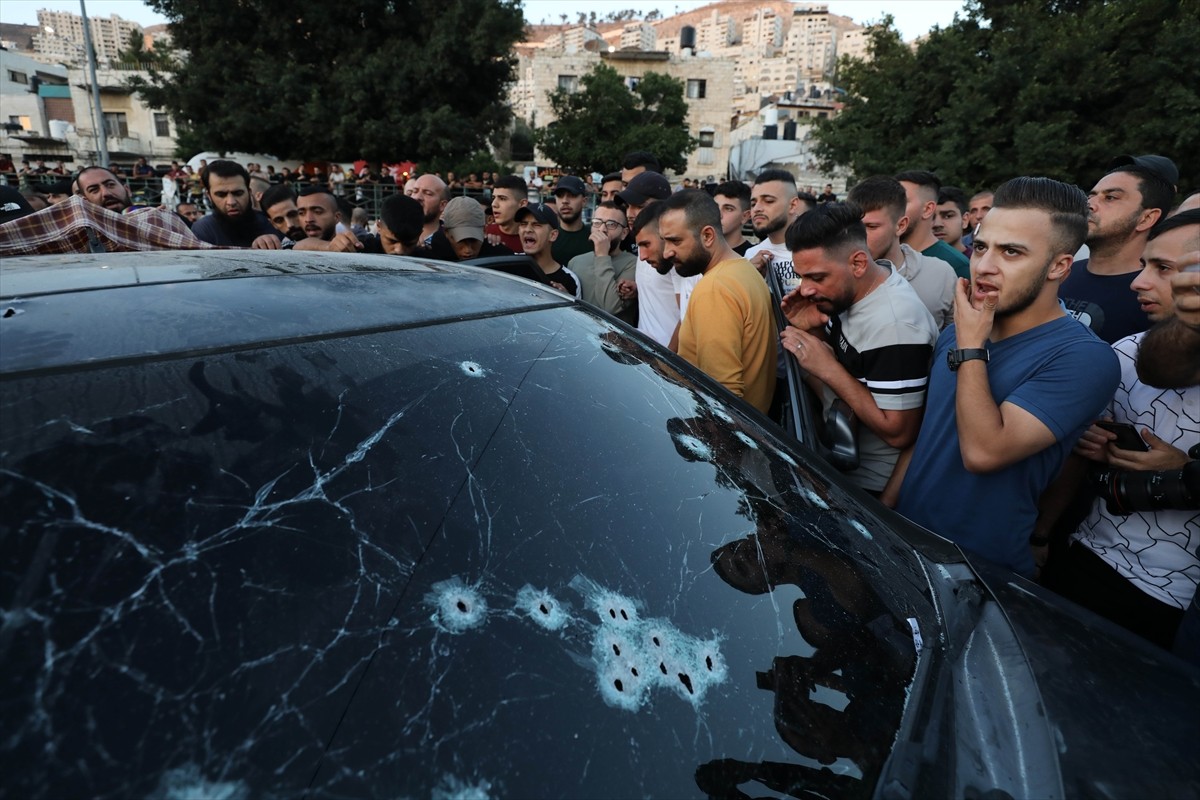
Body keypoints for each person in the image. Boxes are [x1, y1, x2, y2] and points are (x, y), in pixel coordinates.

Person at [887, 177, 1121, 578]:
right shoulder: (961, 332)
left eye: (1011, 252)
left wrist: (971, 347)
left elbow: (984, 453)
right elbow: (926, 435)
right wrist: (884, 513)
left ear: (1059, 266)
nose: (984, 266)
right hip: (903, 543)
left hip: (979, 571)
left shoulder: (1084, 357)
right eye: (981, 247)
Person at [1043, 209, 1200, 650]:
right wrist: (1091, 444)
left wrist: (1185, 472)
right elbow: (1077, 461)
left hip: (1177, 602)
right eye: (1144, 264)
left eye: (1164, 268)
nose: (1138, 282)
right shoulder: (1126, 353)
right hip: (1085, 556)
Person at [780, 202, 938, 494]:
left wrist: (829, 369)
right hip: (839, 457)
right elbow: (851, 367)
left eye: (817, 277)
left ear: (858, 263)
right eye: (802, 276)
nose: (806, 289)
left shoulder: (895, 326)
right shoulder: (853, 292)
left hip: (871, 488)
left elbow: (900, 433)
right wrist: (813, 328)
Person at [661, 190, 776, 413]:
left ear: (707, 236)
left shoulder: (715, 288)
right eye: (664, 241)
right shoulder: (744, 270)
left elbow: (723, 397)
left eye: (675, 241)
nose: (667, 252)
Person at [1060, 154, 1176, 344]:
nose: (1089, 205)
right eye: (1091, 196)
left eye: (1110, 198)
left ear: (1146, 218)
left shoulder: (1156, 297)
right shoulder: (1061, 273)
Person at [848, 176, 956, 328]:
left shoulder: (941, 275)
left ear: (901, 225)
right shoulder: (838, 274)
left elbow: (957, 336)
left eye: (871, 227)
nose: (860, 236)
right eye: (854, 227)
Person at [620, 171, 677, 349]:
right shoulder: (643, 241)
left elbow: (688, 317)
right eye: (628, 206)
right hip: (646, 355)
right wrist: (638, 289)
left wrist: (668, 360)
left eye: (639, 206)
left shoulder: (676, 252)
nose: (630, 213)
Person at [568, 201, 637, 325]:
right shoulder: (576, 262)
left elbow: (610, 307)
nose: (602, 229)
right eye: (597, 222)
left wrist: (602, 255)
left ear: (624, 233)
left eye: (611, 224)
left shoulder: (633, 263)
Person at [894, 170, 971, 279]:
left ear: (927, 209)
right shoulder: (882, 258)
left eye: (902, 202)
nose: (891, 209)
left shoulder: (957, 267)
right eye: (890, 202)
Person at [191, 160, 279, 248]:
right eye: (221, 195)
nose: (231, 202)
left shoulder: (270, 222)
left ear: (249, 192)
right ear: (209, 196)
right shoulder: (203, 230)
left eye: (238, 193)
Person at [744, 169, 810, 287]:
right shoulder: (751, 255)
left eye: (768, 201)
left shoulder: (818, 249)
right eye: (753, 203)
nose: (757, 208)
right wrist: (750, 278)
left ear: (793, 205)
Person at [516, 203, 580, 297]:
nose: (528, 229)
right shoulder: (508, 264)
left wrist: (565, 300)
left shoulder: (570, 280)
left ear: (553, 235)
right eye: (523, 224)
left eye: (536, 225)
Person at [422, 196, 509, 262]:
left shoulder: (500, 257)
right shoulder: (429, 256)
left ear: (484, 231)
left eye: (474, 241)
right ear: (447, 233)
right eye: (461, 241)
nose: (468, 250)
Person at [550, 175, 592, 265]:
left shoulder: (594, 238)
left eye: (572, 195)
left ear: (584, 201)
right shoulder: (547, 238)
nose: (565, 201)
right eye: (560, 196)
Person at [486, 175, 528, 254]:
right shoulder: (484, 234)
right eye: (493, 198)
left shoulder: (534, 239)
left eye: (502, 198)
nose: (494, 204)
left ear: (522, 204)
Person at [713, 181, 752, 256]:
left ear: (745, 216)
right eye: (715, 207)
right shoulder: (698, 253)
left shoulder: (752, 256)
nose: (718, 214)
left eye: (728, 209)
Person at [411, 173, 449, 246]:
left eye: (428, 193)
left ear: (443, 205)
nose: (417, 197)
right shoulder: (393, 230)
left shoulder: (451, 240)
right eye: (415, 191)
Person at [933, 185, 971, 257]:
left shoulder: (980, 261)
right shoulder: (915, 261)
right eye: (931, 217)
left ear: (965, 220)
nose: (937, 224)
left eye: (948, 216)